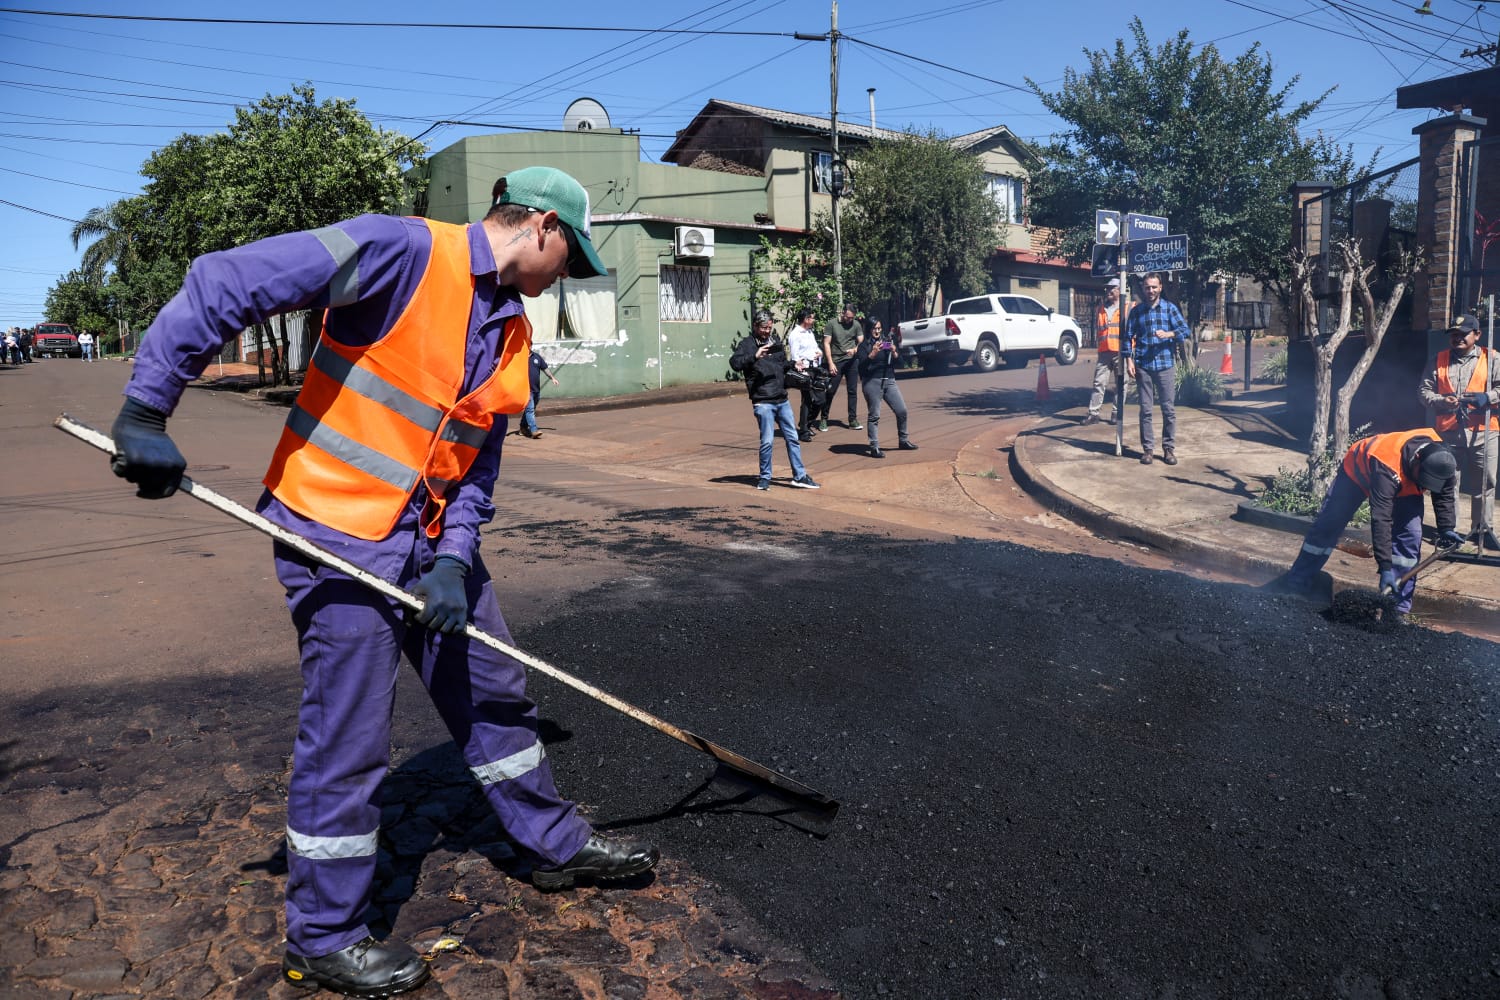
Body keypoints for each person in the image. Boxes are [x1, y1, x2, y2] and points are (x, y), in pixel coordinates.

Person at [106, 166, 660, 999]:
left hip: (430, 547)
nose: (567, 279)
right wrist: (148, 407)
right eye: (570, 260)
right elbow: (227, 279)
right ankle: (322, 936)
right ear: (542, 225)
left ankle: (551, 846)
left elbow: (477, 464)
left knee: (494, 690)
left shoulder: (510, 332)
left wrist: (449, 557)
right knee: (350, 737)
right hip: (334, 535)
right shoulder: (396, 248)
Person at [1276, 430, 1461, 618]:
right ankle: (1296, 585)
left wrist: (1446, 527)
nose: (1427, 486)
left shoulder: (1443, 461)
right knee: (1328, 526)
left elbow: (1444, 493)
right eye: (1425, 480)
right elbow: (1382, 519)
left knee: (1410, 537)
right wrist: (1385, 567)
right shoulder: (1386, 466)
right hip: (1357, 473)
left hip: (1405, 484)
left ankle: (1397, 608)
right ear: (1417, 459)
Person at [1418, 314, 1499, 550]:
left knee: (1485, 482)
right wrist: (1442, 401)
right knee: (1448, 482)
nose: (1457, 338)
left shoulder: (1492, 358)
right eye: (1454, 334)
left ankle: (1482, 530)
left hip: (1484, 431)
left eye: (1463, 334)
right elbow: (1423, 392)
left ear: (1477, 335)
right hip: (1449, 432)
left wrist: (1488, 397)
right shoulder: (1438, 359)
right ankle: (1448, 530)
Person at [729, 310, 820, 491]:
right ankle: (764, 478)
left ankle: (800, 476)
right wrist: (754, 355)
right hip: (763, 401)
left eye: (769, 327)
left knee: (793, 438)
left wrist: (794, 364)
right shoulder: (747, 345)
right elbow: (735, 363)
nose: (767, 331)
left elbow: (781, 364)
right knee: (767, 441)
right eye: (764, 328)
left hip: (781, 399)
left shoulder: (774, 341)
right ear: (755, 326)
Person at [1123, 274, 1189, 465]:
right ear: (1143, 289)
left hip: (1165, 365)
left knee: (1168, 409)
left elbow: (1185, 331)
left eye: (1153, 287)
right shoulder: (1137, 311)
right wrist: (1129, 361)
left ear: (1160, 288)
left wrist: (1169, 333)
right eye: (1147, 287)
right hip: (1143, 366)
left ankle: (1168, 449)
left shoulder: (1169, 309)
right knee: (1145, 410)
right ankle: (1148, 450)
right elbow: (1127, 337)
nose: (1150, 291)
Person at [857, 317, 917, 458]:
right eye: (874, 329)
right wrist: (872, 354)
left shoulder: (886, 341)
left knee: (902, 410)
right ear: (869, 329)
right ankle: (874, 447)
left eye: (879, 328)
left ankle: (903, 440)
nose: (877, 331)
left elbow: (901, 364)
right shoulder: (864, 346)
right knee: (874, 416)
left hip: (889, 380)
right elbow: (861, 368)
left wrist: (894, 352)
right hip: (872, 381)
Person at [1084, 278, 1126, 425]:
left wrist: (1129, 352)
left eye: (1111, 288)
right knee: (1098, 383)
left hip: (1120, 352)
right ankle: (1093, 414)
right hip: (1104, 352)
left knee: (1120, 384)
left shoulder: (1127, 307)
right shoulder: (1101, 308)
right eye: (1107, 288)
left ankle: (1116, 413)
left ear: (1119, 290)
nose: (1108, 291)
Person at [820, 302, 864, 431]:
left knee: (852, 391)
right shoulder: (832, 324)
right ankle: (824, 418)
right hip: (836, 361)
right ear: (843, 313)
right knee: (830, 391)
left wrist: (855, 349)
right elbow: (826, 343)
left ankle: (852, 420)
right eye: (848, 317)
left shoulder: (856, 324)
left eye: (852, 318)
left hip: (851, 362)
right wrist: (830, 363)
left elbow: (861, 339)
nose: (850, 320)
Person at [787, 307, 828, 442]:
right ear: (806, 319)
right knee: (807, 400)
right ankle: (804, 431)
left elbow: (815, 347)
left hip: (815, 369)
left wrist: (819, 352)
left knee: (821, 399)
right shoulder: (795, 334)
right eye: (812, 317)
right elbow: (795, 356)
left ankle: (807, 424)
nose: (814, 320)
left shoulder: (810, 332)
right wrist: (802, 371)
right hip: (804, 371)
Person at [519, 347, 560, 438]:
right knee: (530, 410)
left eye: (530, 344)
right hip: (526, 389)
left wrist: (552, 378)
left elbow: (545, 368)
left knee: (530, 409)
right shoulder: (520, 357)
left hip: (536, 390)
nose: (528, 347)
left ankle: (523, 427)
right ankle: (534, 430)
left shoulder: (536, 357)